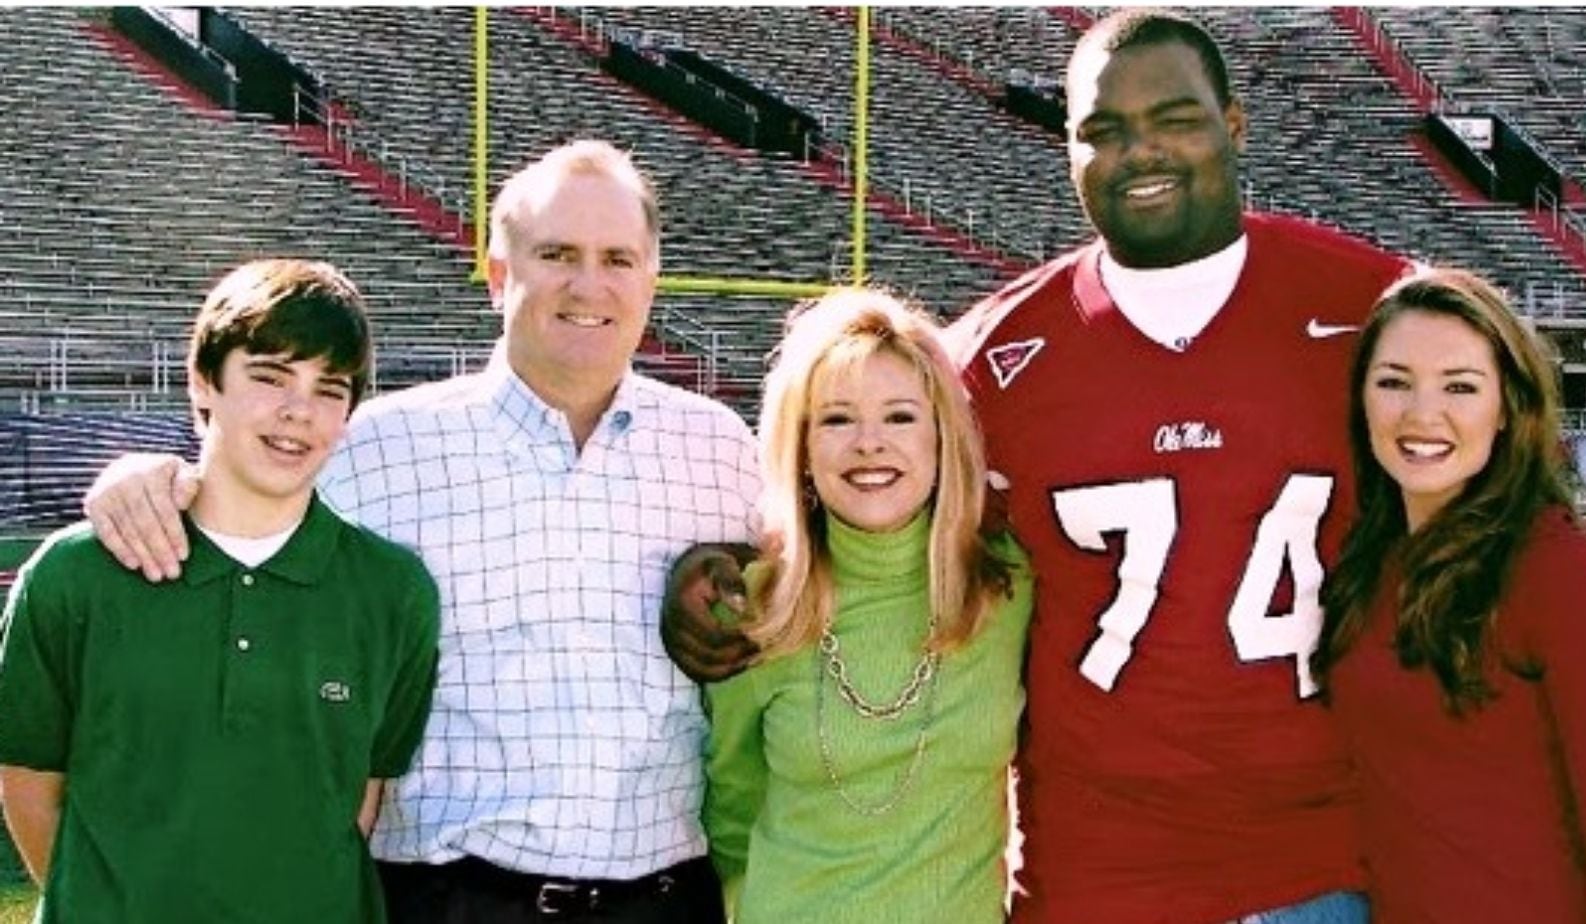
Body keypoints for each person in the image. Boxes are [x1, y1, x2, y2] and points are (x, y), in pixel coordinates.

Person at [666, 10, 1406, 923]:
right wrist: (730, 569)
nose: (1142, 152)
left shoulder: (1374, 305)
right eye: (1103, 131)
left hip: (1317, 863)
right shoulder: (993, 356)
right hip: (1095, 874)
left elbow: (1497, 500)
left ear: (1234, 124)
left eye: (1174, 118)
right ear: (1067, 149)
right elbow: (876, 516)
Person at [80, 140, 761, 922]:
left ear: (651, 278)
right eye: (557, 254)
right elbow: (239, 512)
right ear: (500, 275)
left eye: (618, 258)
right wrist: (145, 478)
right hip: (450, 897)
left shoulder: (719, 448)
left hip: (666, 898)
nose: (589, 284)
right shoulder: (380, 446)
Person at [0, 258, 441, 923]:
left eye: (330, 388)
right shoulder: (75, 575)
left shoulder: (393, 591)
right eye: (270, 376)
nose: (298, 411)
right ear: (204, 381)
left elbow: (358, 796)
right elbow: (28, 783)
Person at [1312, 267, 1586, 923]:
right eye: (1393, 382)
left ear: (1507, 410)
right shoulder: (1359, 560)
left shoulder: (1553, 570)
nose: (1421, 414)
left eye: (1460, 386)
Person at [703, 288, 1033, 920]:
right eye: (836, 419)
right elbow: (731, 812)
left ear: (943, 437)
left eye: (901, 417)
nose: (869, 444)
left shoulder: (1008, 584)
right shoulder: (751, 608)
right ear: (799, 447)